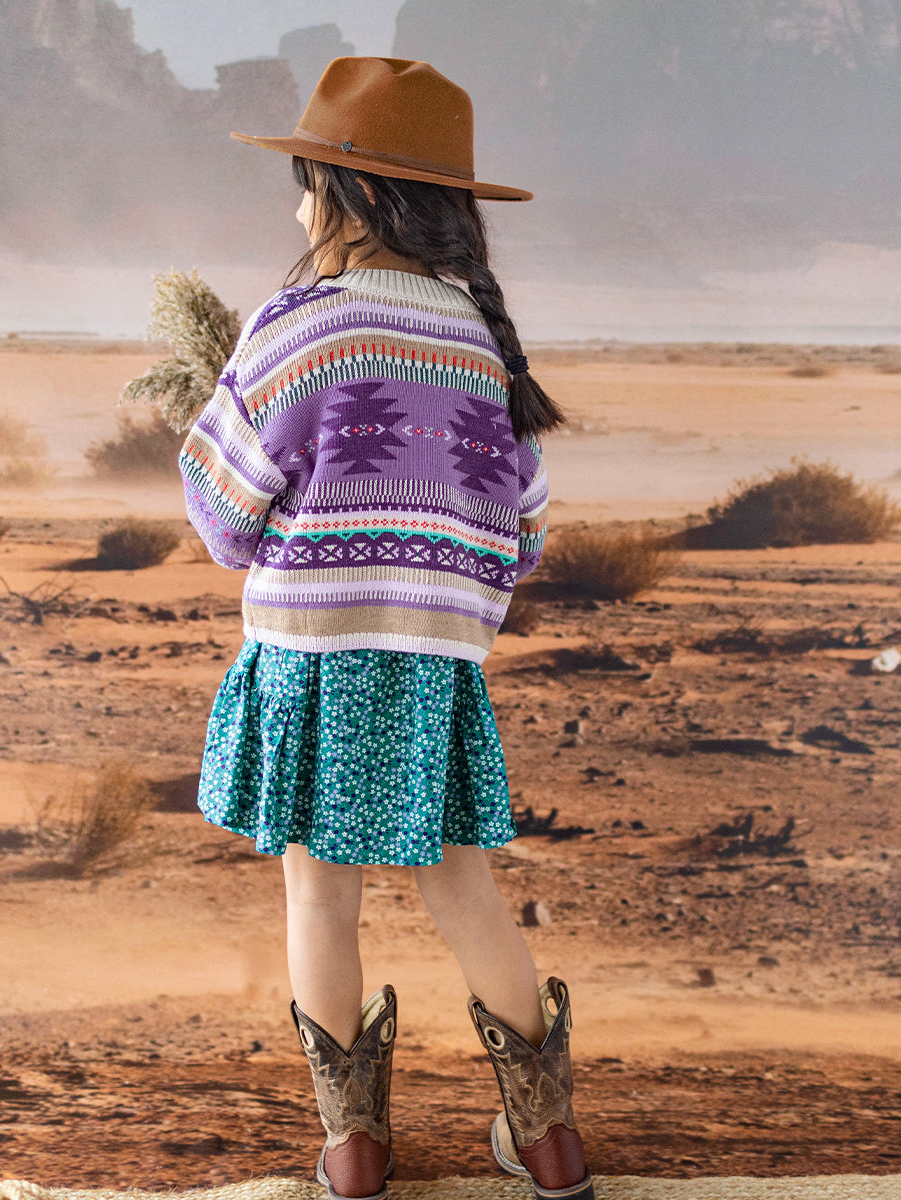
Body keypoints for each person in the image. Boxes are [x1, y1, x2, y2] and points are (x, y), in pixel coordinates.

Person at [178, 56, 595, 1200]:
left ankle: (354, 1155)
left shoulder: (295, 326)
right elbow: (526, 530)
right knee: (467, 887)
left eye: (306, 180)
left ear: (346, 195)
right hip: (433, 668)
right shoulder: (480, 343)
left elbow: (219, 514)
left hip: (310, 661)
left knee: (321, 894)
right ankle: (549, 1143)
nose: (296, 203)